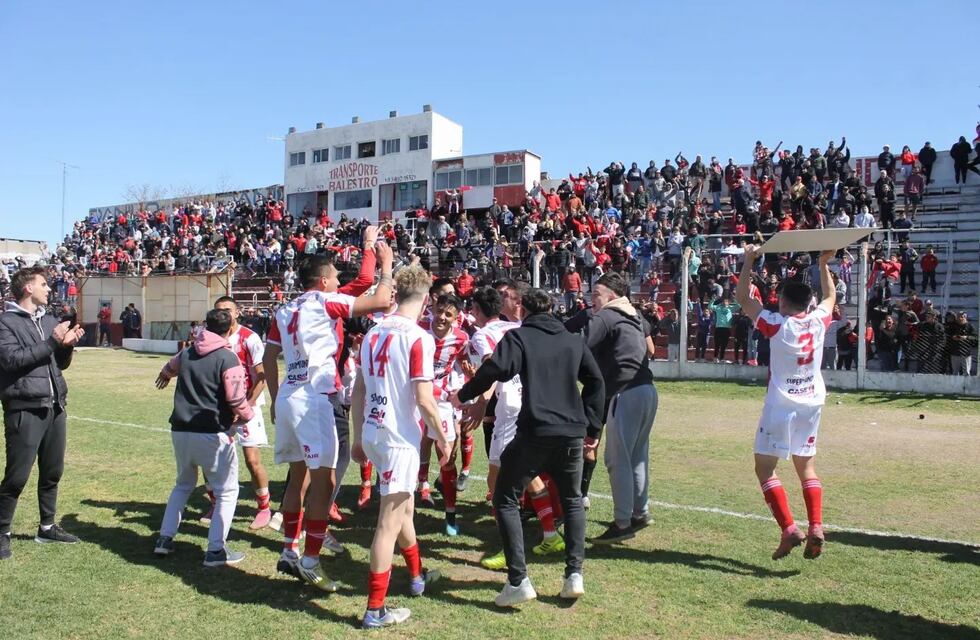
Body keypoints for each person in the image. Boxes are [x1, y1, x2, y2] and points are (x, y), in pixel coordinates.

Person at [451, 288, 604, 607]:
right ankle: (574, 574)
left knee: (505, 497)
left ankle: (518, 579)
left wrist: (463, 395)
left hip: (535, 429)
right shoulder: (572, 340)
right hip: (572, 432)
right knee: (573, 498)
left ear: (522, 311)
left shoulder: (519, 338)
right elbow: (596, 381)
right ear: (553, 309)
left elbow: (494, 370)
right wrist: (591, 424)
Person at [262, 249, 393, 589]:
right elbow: (381, 299)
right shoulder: (324, 301)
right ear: (322, 281)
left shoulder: (284, 308)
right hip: (315, 399)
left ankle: (289, 550)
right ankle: (310, 560)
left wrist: (275, 399)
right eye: (335, 277)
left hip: (290, 396)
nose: (338, 282)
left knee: (297, 478)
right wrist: (388, 264)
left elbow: (268, 355)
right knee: (325, 482)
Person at [348, 265, 449, 629]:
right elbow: (424, 398)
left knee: (404, 510)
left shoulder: (374, 331)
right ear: (425, 300)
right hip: (397, 437)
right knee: (387, 523)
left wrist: (358, 436)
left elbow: (358, 389)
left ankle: (418, 576)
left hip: (376, 431)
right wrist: (442, 434)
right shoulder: (419, 337)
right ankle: (375, 610)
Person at [735, 244, 836, 561]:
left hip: (781, 404)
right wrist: (823, 265)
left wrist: (749, 261)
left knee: (764, 469)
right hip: (812, 402)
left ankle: (790, 528)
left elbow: (743, 300)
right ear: (810, 302)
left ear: (782, 302)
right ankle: (816, 525)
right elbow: (830, 298)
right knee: (806, 467)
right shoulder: (819, 320)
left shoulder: (777, 324)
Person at [152, 309, 254, 565]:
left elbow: (169, 367)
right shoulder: (227, 358)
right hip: (212, 432)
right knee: (228, 491)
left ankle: (164, 539)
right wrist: (247, 414)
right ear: (230, 329)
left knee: (183, 485)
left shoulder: (188, 351)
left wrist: (165, 375)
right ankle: (215, 550)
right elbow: (235, 398)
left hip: (181, 430)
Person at [0, 267, 85, 560]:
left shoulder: (48, 320)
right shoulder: (5, 323)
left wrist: (66, 346)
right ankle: (2, 533)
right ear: (27, 289)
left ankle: (47, 527)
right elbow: (12, 360)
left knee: (52, 472)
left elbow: (57, 364)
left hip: (55, 406)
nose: (48, 289)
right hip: (24, 408)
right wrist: (51, 341)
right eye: (43, 284)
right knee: (16, 476)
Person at [574, 272, 658, 543]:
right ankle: (639, 513)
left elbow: (579, 345)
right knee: (637, 456)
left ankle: (622, 524)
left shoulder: (607, 315)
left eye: (596, 294)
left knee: (617, 459)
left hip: (625, 393)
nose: (592, 300)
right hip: (646, 390)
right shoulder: (632, 315)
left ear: (611, 295)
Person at [211, 296, 272, 530]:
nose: (223, 315)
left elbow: (262, 377)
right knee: (215, 459)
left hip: (248, 407)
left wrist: (245, 406)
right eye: (218, 311)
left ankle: (264, 508)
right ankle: (216, 504)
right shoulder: (212, 338)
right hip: (222, 407)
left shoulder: (250, 338)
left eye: (227, 310)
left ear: (237, 313)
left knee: (252, 460)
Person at [417, 294, 469, 536]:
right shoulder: (417, 331)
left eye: (448, 314)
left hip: (441, 403)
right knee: (412, 448)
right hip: (415, 397)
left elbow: (464, 362)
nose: (442, 317)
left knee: (447, 455)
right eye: (439, 311)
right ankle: (417, 489)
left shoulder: (460, 339)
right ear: (432, 309)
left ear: (456, 318)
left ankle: (450, 515)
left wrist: (467, 388)